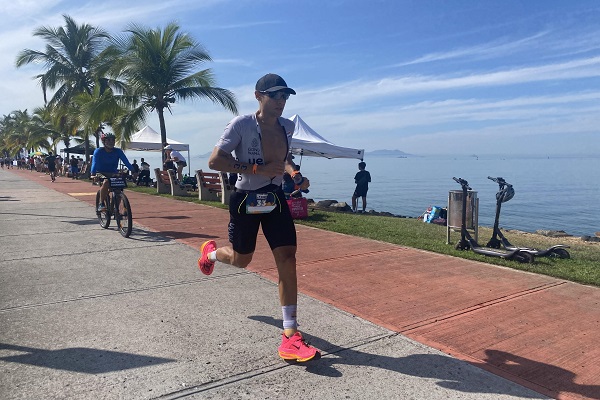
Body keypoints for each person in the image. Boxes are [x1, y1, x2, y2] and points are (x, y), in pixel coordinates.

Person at [199, 73, 320, 362]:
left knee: (288, 257)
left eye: (285, 96)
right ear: (258, 96)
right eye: (275, 95)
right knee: (242, 260)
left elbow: (285, 157)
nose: (281, 101)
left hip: (275, 198)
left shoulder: (287, 126)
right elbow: (215, 160)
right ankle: (212, 254)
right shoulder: (241, 124)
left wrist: (295, 174)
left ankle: (290, 334)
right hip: (245, 200)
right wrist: (255, 170)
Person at [91, 132, 134, 212]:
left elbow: (126, 162)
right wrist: (93, 174)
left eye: (113, 140)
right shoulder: (98, 151)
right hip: (100, 172)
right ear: (104, 142)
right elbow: (95, 163)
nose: (111, 142)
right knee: (106, 182)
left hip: (113, 172)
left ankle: (115, 208)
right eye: (108, 140)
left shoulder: (118, 151)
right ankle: (101, 204)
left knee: (119, 187)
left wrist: (133, 170)